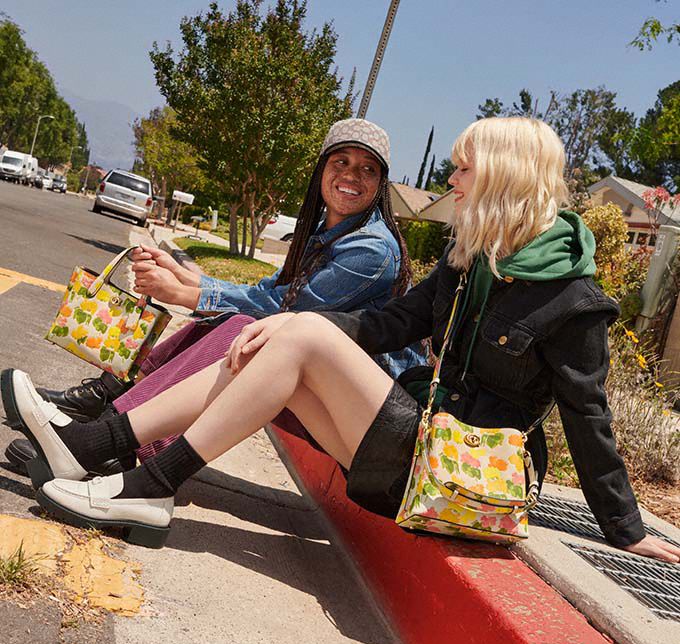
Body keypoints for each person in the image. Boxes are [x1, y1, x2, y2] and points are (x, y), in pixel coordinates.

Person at [6, 117, 678, 564]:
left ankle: (138, 476)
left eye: (463, 170)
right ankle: (97, 449)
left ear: (502, 176)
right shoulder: (468, 260)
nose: (450, 182)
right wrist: (285, 327)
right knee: (283, 344)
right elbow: (387, 326)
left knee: (296, 338)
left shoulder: (574, 299)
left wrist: (628, 530)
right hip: (414, 446)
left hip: (463, 476)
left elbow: (590, 417)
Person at [4, 118, 425, 472]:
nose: (352, 175)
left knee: (244, 328)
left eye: (368, 169)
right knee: (233, 321)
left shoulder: (371, 249)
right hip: (322, 392)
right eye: (341, 161)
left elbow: (286, 311)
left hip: (358, 410)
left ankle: (108, 442)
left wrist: (187, 295)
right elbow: (266, 290)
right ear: (321, 171)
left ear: (381, 184)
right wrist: (186, 279)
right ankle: (107, 402)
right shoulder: (323, 234)